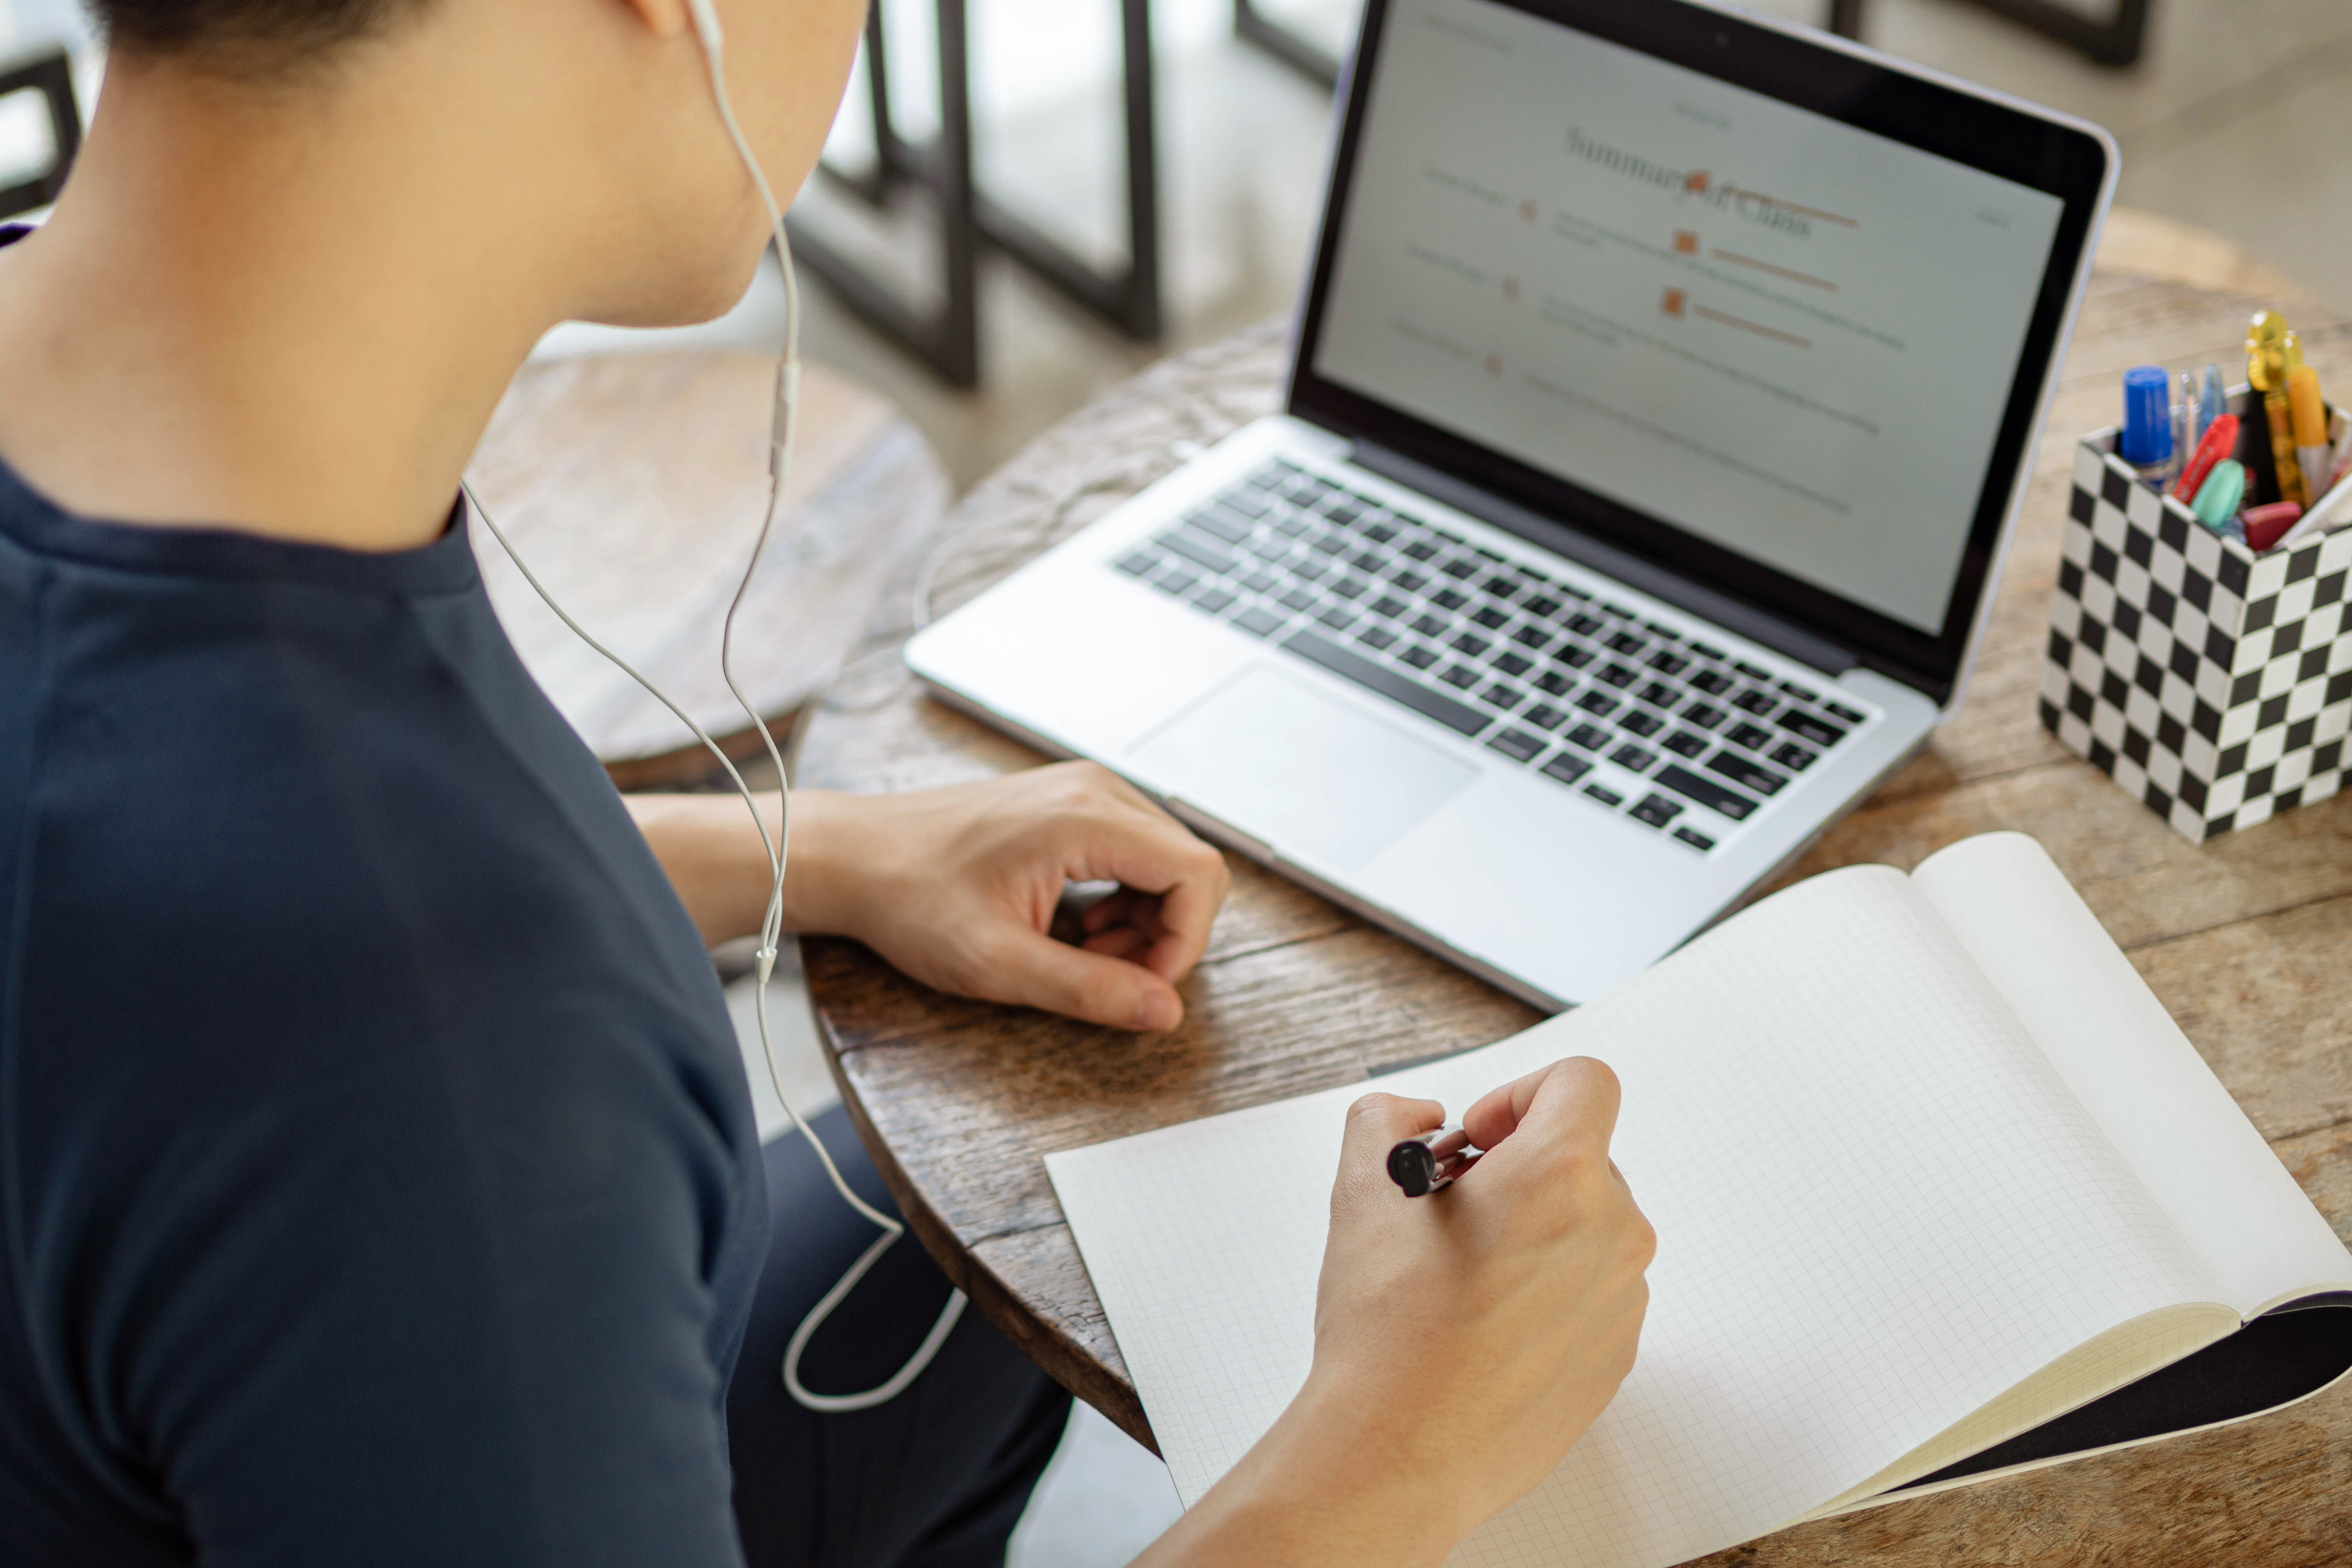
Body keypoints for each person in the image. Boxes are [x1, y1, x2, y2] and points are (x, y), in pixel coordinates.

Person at [0, 0, 1656, 1558]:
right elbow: (351, 1008)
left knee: (968, 1186)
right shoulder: (452, 1047)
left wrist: (818, 849)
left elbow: (151, 931)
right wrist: (1394, 1449)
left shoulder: (135, 467)